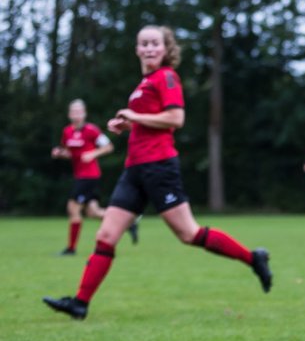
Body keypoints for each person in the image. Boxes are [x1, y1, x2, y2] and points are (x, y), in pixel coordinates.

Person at [42, 26, 272, 320]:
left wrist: (134, 116)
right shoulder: (144, 83)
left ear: (166, 49)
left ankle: (254, 258)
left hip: (160, 168)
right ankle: (80, 303)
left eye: (155, 44)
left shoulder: (166, 76)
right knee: (106, 234)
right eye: (144, 44)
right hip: (134, 170)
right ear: (137, 49)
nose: (149, 48)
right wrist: (128, 126)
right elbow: (151, 120)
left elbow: (176, 118)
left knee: (189, 234)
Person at [52, 99, 116, 255]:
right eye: (73, 111)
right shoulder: (67, 132)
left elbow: (109, 147)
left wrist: (93, 153)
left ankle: (71, 248)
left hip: (90, 175)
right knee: (93, 213)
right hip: (79, 175)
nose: (76, 114)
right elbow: (71, 154)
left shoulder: (92, 130)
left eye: (79, 111)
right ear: (69, 114)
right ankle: (126, 221)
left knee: (73, 208)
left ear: (84, 113)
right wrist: (60, 154)